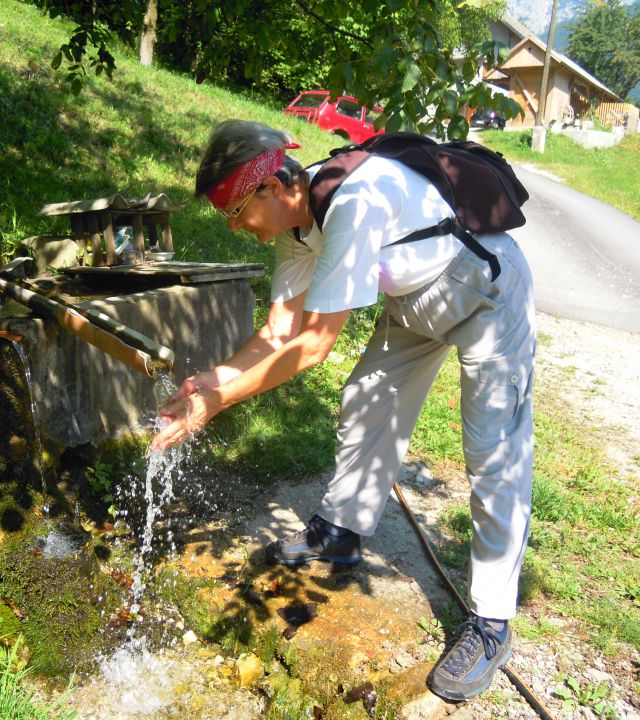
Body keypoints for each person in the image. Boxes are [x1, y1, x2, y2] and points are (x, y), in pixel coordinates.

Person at [151, 119, 536, 703]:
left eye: (234, 213)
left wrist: (216, 402)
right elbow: (280, 329)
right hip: (414, 301)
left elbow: (313, 345)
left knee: (493, 450)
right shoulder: (297, 230)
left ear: (274, 187)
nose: (234, 228)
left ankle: (491, 621)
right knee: (366, 397)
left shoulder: (354, 203)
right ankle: (341, 532)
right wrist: (212, 379)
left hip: (483, 289)